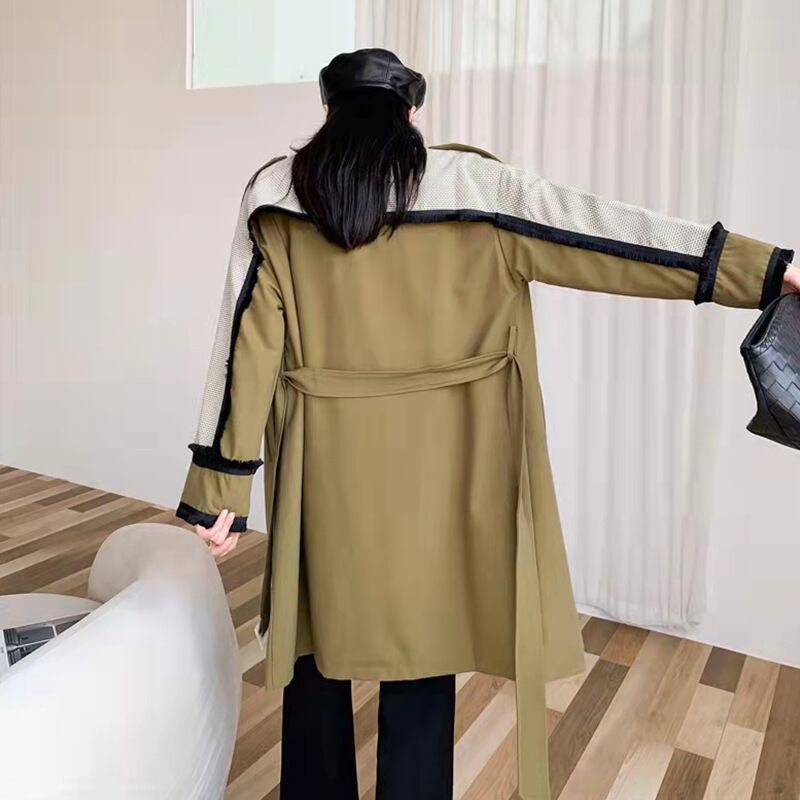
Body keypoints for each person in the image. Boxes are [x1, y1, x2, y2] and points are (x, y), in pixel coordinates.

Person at [176, 47, 799, 800]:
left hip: (324, 469)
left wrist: (220, 485)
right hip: (449, 466)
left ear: (328, 109)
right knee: (426, 648)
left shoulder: (276, 195)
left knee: (314, 645)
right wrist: (768, 270)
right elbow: (610, 235)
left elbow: (245, 340)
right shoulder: (476, 187)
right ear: (411, 113)